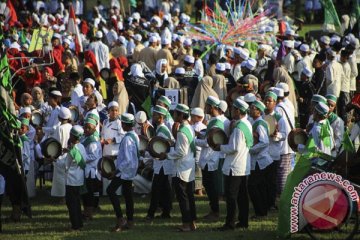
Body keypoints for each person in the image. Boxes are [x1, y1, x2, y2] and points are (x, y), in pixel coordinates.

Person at [216, 98, 252, 230]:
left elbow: (234, 147)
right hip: (243, 164)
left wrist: (220, 147)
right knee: (242, 195)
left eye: (232, 109)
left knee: (231, 195)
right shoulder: (246, 123)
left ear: (237, 110)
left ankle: (230, 223)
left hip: (235, 165)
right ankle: (243, 221)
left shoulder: (238, 128)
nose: (231, 111)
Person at [161, 104, 197, 232]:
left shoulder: (182, 131)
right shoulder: (189, 127)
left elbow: (181, 151)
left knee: (183, 198)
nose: (174, 115)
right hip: (189, 166)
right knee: (189, 196)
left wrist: (166, 155)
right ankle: (192, 222)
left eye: (175, 113)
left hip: (182, 168)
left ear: (181, 115)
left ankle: (186, 223)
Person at [107, 113, 139, 232]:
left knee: (110, 191)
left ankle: (120, 219)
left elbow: (127, 159)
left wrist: (116, 171)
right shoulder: (134, 135)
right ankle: (130, 221)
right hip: (131, 170)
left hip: (124, 171)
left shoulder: (126, 139)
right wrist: (116, 157)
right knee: (128, 195)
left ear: (125, 124)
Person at [196, 96, 224, 220]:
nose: (205, 108)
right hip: (208, 158)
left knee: (211, 187)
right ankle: (213, 210)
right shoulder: (213, 121)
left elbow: (208, 142)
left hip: (210, 159)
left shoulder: (216, 122)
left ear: (212, 107)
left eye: (207, 106)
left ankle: (215, 211)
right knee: (209, 186)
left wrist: (194, 141)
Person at [146, 105, 174, 220]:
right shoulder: (160, 129)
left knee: (156, 189)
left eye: (155, 115)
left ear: (161, 117)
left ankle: (151, 214)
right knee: (165, 188)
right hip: (163, 163)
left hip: (163, 163)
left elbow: (162, 148)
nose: (153, 116)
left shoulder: (162, 131)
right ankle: (166, 212)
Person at [249, 100, 273, 218]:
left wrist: (250, 149)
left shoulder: (260, 124)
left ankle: (261, 211)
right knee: (259, 187)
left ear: (258, 111)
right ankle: (261, 211)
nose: (250, 109)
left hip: (260, 160)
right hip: (257, 160)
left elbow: (264, 142)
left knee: (254, 186)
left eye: (253, 108)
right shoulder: (255, 123)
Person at [264, 91, 286, 210]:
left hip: (273, 152)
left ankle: (271, 203)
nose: (267, 103)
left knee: (271, 180)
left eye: (270, 101)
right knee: (263, 179)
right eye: (266, 100)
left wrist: (276, 135)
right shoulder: (261, 115)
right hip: (262, 153)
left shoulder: (279, 118)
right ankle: (264, 201)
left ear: (275, 103)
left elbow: (284, 134)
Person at [64, 125, 87, 231]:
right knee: (77, 203)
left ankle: (75, 226)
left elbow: (65, 165)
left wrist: (54, 159)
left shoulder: (72, 150)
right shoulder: (82, 147)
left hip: (71, 180)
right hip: (79, 180)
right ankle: (79, 223)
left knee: (71, 204)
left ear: (73, 136)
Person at [101, 101, 125, 195]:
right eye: (112, 110)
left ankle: (116, 193)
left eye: (116, 110)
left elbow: (123, 136)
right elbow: (103, 134)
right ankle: (106, 193)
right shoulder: (105, 121)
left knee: (115, 173)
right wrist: (102, 139)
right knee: (106, 172)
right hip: (106, 151)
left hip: (115, 153)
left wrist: (113, 140)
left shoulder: (120, 123)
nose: (114, 112)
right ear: (109, 111)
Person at [81, 117, 102, 220]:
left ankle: (89, 214)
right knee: (85, 193)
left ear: (94, 129)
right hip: (86, 170)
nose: (86, 129)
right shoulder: (85, 138)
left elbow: (93, 156)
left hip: (91, 171)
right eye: (85, 127)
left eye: (89, 128)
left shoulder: (93, 141)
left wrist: (82, 158)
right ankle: (85, 212)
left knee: (89, 194)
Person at [51, 107, 73, 202]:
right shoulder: (71, 127)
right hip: (70, 155)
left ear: (59, 118)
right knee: (68, 176)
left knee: (60, 177)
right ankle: (69, 195)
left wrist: (53, 155)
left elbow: (56, 143)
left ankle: (62, 197)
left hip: (60, 155)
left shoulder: (59, 128)